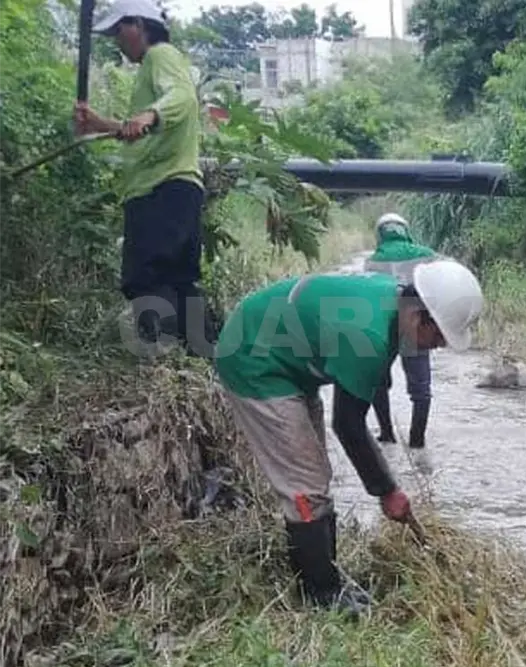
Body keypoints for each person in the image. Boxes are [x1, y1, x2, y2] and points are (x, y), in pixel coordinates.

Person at [213, 259, 484, 614]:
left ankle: (329, 577)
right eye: (439, 337)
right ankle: (321, 596)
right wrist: (387, 491)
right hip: (253, 360)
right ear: (420, 315)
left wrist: (384, 485)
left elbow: (366, 396)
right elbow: (349, 425)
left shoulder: (391, 307)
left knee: (316, 475)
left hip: (289, 363)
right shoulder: (368, 334)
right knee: (305, 485)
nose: (438, 347)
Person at [74, 0, 216, 355]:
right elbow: (136, 130)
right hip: (178, 190)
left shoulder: (160, 56)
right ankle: (204, 359)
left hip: (160, 189)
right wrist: (99, 124)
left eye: (118, 31)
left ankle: (163, 363)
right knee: (180, 281)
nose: (117, 42)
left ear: (138, 24)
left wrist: (151, 114)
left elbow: (182, 98)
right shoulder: (155, 69)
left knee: (146, 277)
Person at [363, 213, 440, 448]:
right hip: (417, 323)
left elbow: (368, 295)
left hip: (383, 324)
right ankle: (417, 442)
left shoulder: (373, 259)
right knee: (421, 390)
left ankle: (387, 434)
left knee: (378, 382)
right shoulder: (426, 255)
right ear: (405, 231)